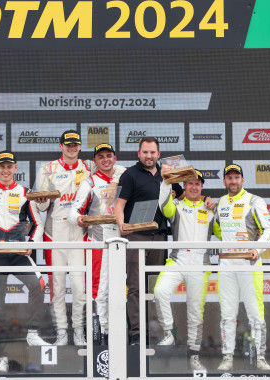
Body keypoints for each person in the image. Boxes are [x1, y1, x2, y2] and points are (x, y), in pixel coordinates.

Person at [36, 131, 124, 346]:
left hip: (79, 235)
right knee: (56, 288)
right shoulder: (47, 169)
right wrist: (41, 199)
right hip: (54, 234)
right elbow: (41, 206)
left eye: (75, 144)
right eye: (68, 144)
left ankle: (78, 331)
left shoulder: (88, 166)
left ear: (79, 147)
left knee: (79, 287)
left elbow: (116, 170)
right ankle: (61, 332)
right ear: (61, 146)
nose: (72, 148)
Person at [0, 151, 50, 371]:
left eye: (10, 166)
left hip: (19, 255)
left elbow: (37, 224)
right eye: (2, 166)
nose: (6, 170)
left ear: (15, 168)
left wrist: (31, 246)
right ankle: (0, 357)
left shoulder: (26, 192)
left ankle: (33, 333)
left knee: (39, 284)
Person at [114, 137, 185, 345]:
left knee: (156, 289)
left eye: (152, 152)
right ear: (139, 154)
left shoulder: (167, 174)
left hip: (159, 239)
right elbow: (119, 205)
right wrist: (121, 225)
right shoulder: (129, 175)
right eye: (145, 152)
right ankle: (137, 333)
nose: (149, 156)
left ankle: (160, 332)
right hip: (135, 237)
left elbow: (185, 197)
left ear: (159, 154)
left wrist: (205, 200)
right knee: (136, 287)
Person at [153, 170, 219, 370]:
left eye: (197, 184)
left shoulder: (210, 209)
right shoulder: (177, 206)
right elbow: (164, 205)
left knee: (195, 314)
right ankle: (168, 334)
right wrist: (166, 182)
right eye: (189, 184)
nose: (193, 187)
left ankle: (194, 356)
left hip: (200, 263)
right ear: (184, 186)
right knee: (160, 291)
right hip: (178, 259)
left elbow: (223, 232)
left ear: (202, 187)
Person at [214, 164, 270, 371]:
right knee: (227, 314)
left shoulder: (254, 201)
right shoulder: (220, 202)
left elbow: (269, 230)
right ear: (224, 181)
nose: (233, 181)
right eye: (229, 178)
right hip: (226, 264)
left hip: (249, 263)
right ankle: (227, 357)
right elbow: (216, 229)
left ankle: (261, 358)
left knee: (255, 313)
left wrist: (257, 250)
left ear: (243, 180)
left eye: (236, 177)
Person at [68, 143, 120, 345]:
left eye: (109, 155)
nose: (106, 159)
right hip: (99, 242)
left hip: (124, 241)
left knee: (121, 289)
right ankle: (100, 335)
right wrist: (79, 220)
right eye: (101, 157)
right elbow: (74, 211)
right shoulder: (89, 182)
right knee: (99, 289)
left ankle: (118, 333)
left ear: (115, 158)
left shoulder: (124, 176)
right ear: (95, 161)